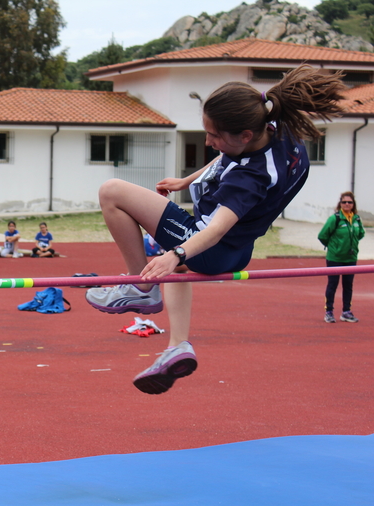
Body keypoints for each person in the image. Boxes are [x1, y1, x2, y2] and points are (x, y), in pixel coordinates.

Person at [84, 65, 345, 394]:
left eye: (214, 136)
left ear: (245, 135)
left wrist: (174, 253)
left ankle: (140, 286)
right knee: (178, 267)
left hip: (209, 244)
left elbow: (216, 229)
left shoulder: (249, 179)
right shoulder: (278, 130)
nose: (209, 142)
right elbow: (230, 153)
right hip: (239, 250)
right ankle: (178, 345)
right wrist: (188, 179)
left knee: (112, 192)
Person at [318, 192, 365, 323]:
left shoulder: (356, 219)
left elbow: (360, 234)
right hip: (335, 258)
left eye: (349, 202)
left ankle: (346, 312)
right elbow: (322, 235)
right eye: (344, 202)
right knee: (332, 285)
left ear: (353, 204)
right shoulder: (335, 219)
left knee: (348, 285)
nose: (347, 205)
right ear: (340, 204)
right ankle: (329, 312)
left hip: (350, 258)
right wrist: (334, 247)